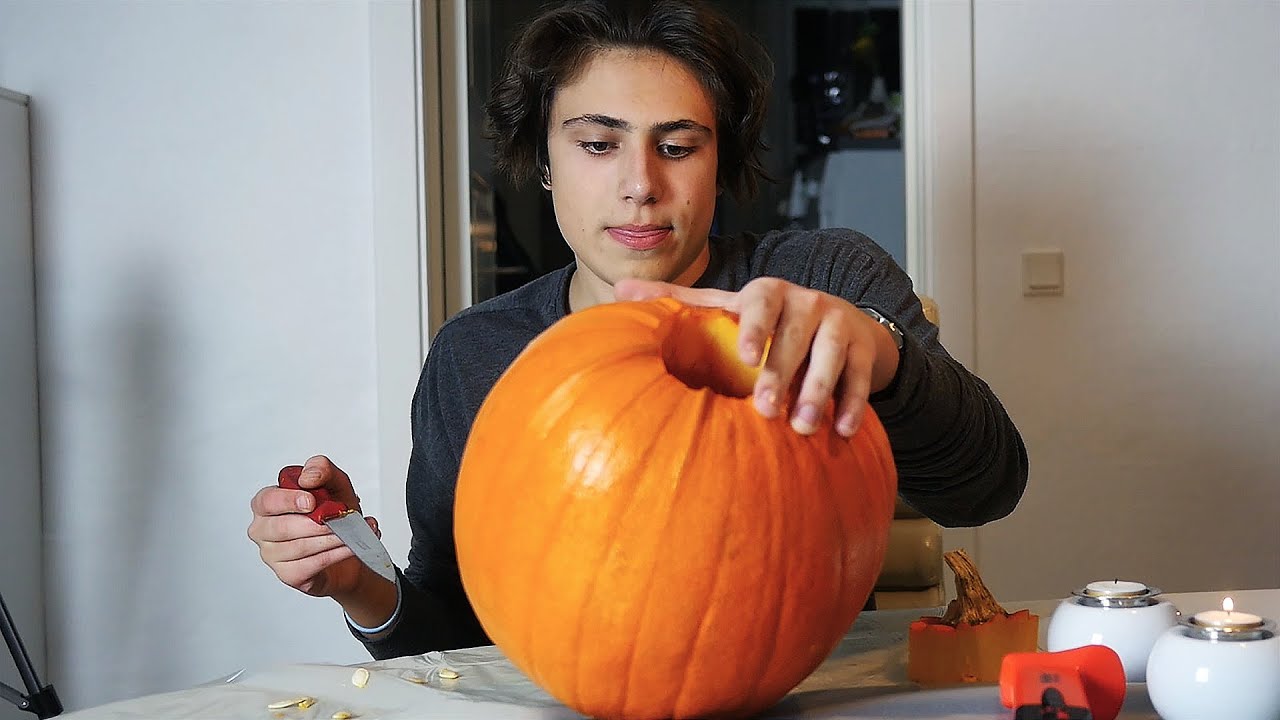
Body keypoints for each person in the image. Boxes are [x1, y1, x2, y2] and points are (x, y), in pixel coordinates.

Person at [248, 0, 1028, 660]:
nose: (640, 185)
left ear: (717, 162)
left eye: (678, 147)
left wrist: (882, 354)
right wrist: (361, 585)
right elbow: (457, 636)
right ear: (545, 161)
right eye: (597, 144)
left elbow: (987, 489)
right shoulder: (475, 353)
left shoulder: (823, 277)